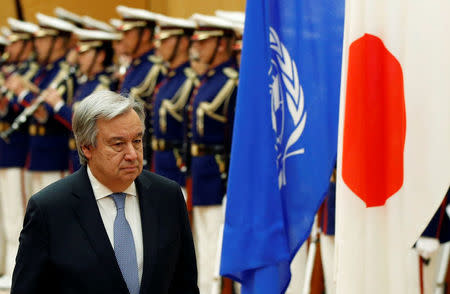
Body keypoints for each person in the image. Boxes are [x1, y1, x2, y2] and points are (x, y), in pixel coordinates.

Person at [11, 90, 199, 294]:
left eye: (137, 141)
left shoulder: (168, 196)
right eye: (118, 144)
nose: (132, 154)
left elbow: (185, 284)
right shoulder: (50, 208)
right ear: (86, 148)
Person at [189, 13, 239, 294]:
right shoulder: (208, 80)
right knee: (203, 251)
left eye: (205, 42)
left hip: (220, 177)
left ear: (221, 44)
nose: (198, 48)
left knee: (216, 251)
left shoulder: (231, 81)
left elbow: (232, 137)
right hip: (202, 175)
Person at [43, 26, 120, 172]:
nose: (80, 58)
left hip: (92, 162)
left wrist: (58, 105)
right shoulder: (85, 83)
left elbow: (86, 124)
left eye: (85, 53)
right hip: (75, 159)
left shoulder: (102, 87)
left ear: (100, 56)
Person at [152, 15, 197, 192]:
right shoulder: (167, 79)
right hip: (160, 166)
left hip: (178, 169)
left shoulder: (189, 81)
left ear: (183, 43)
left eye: (165, 40)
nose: (159, 45)